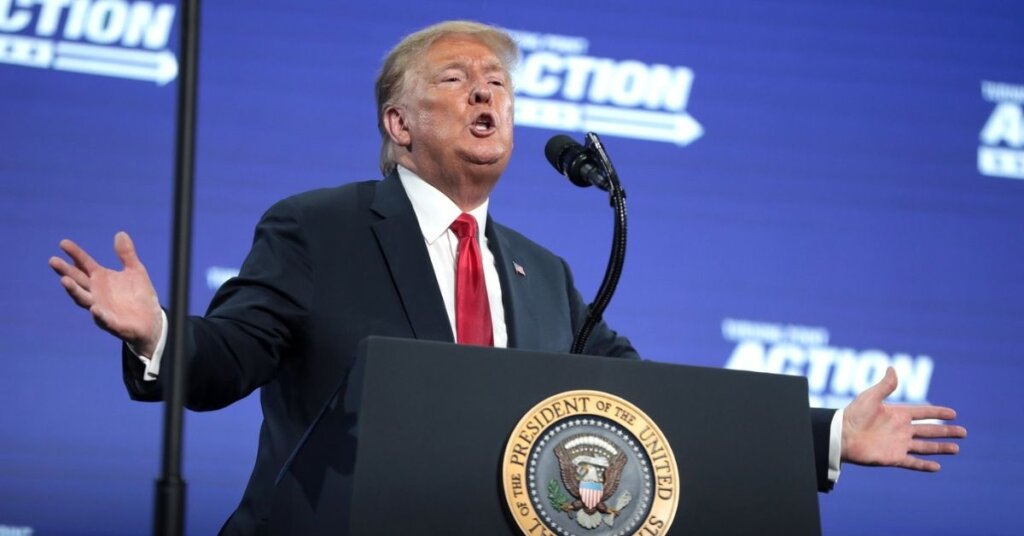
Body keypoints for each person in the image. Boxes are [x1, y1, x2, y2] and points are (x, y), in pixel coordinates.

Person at [49, 20, 965, 534]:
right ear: (399, 125)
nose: (487, 93)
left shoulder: (543, 275)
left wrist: (822, 435)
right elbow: (227, 360)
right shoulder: (317, 227)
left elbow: (656, 409)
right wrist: (158, 330)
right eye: (456, 80)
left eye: (498, 84)